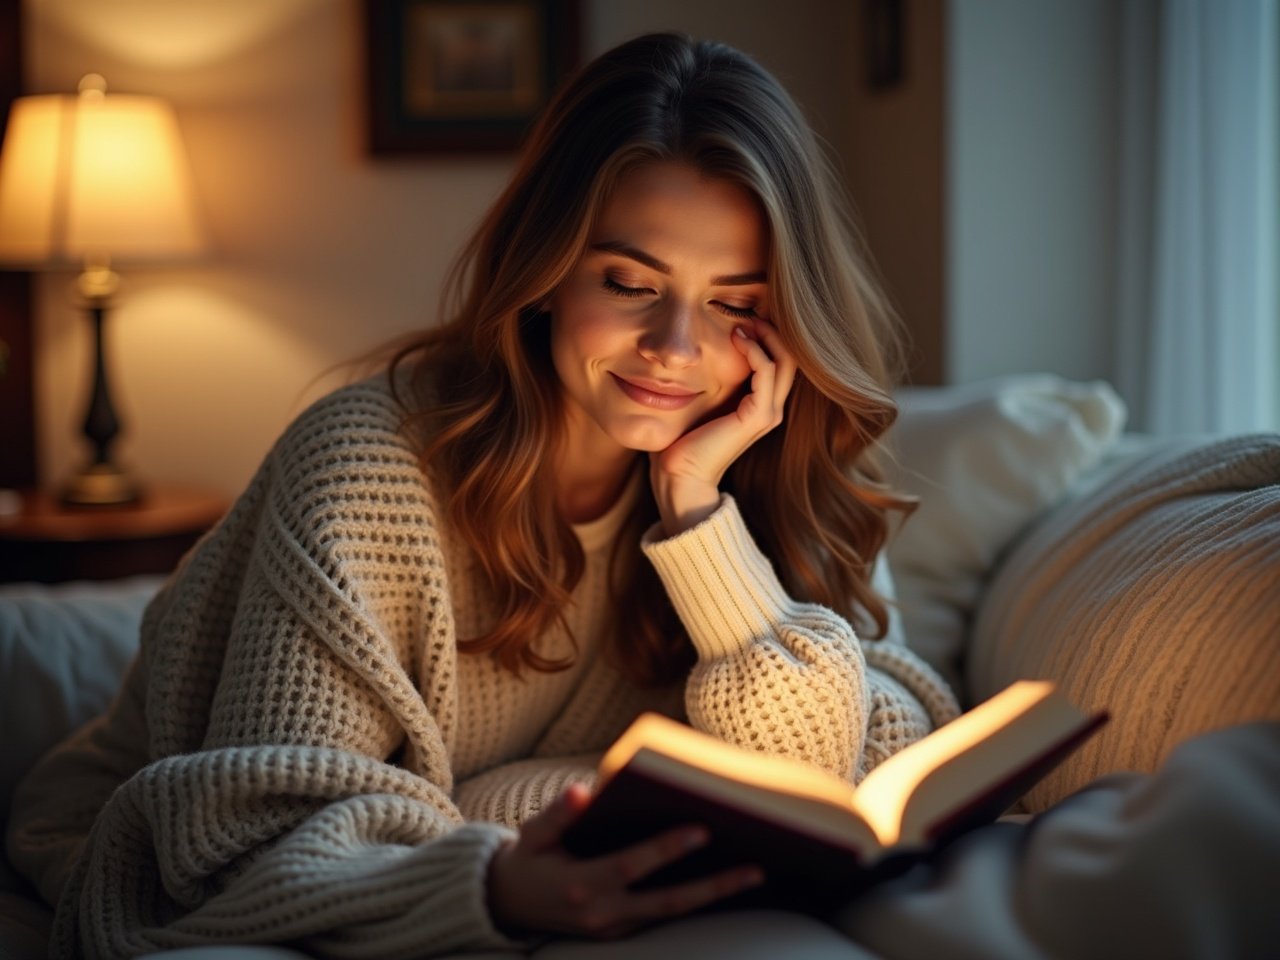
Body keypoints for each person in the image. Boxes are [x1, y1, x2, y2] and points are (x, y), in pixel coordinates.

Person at [6, 32, 958, 958]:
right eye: (629, 282)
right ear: (545, 273)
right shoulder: (370, 469)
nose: (676, 348)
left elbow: (857, 751)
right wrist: (492, 874)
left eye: (737, 305)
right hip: (146, 830)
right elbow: (254, 827)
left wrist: (701, 517)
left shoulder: (772, 464)